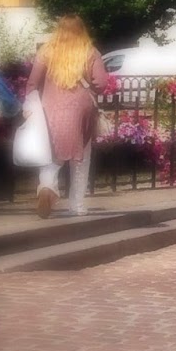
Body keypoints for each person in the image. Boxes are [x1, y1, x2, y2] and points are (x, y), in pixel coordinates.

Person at [27, 15, 108, 218]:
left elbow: (32, 82)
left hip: (51, 111)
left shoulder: (46, 51)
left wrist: (29, 104)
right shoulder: (90, 52)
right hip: (81, 111)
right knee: (81, 158)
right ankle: (77, 205)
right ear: (82, 30)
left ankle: (47, 186)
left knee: (52, 154)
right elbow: (101, 83)